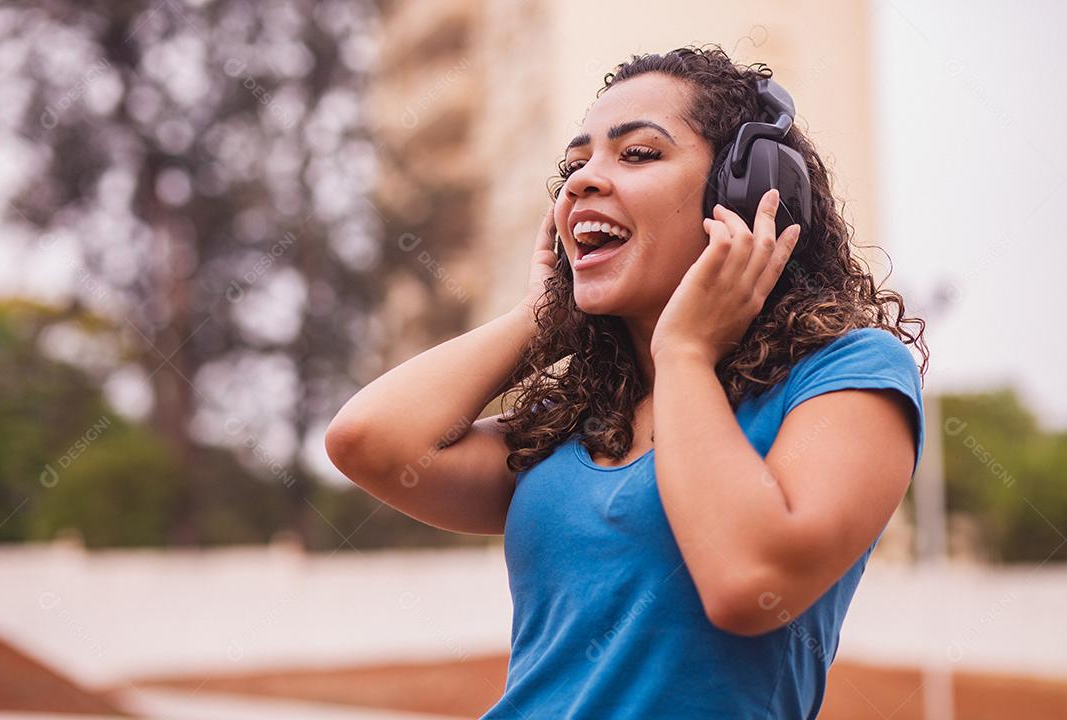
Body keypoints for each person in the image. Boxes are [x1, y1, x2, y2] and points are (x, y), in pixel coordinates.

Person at [325, 43, 928, 719]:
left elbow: (749, 583)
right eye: (574, 166)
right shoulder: (577, 420)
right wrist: (542, 317)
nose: (582, 182)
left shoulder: (850, 372)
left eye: (637, 154)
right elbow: (369, 442)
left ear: (743, 192)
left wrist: (685, 355)